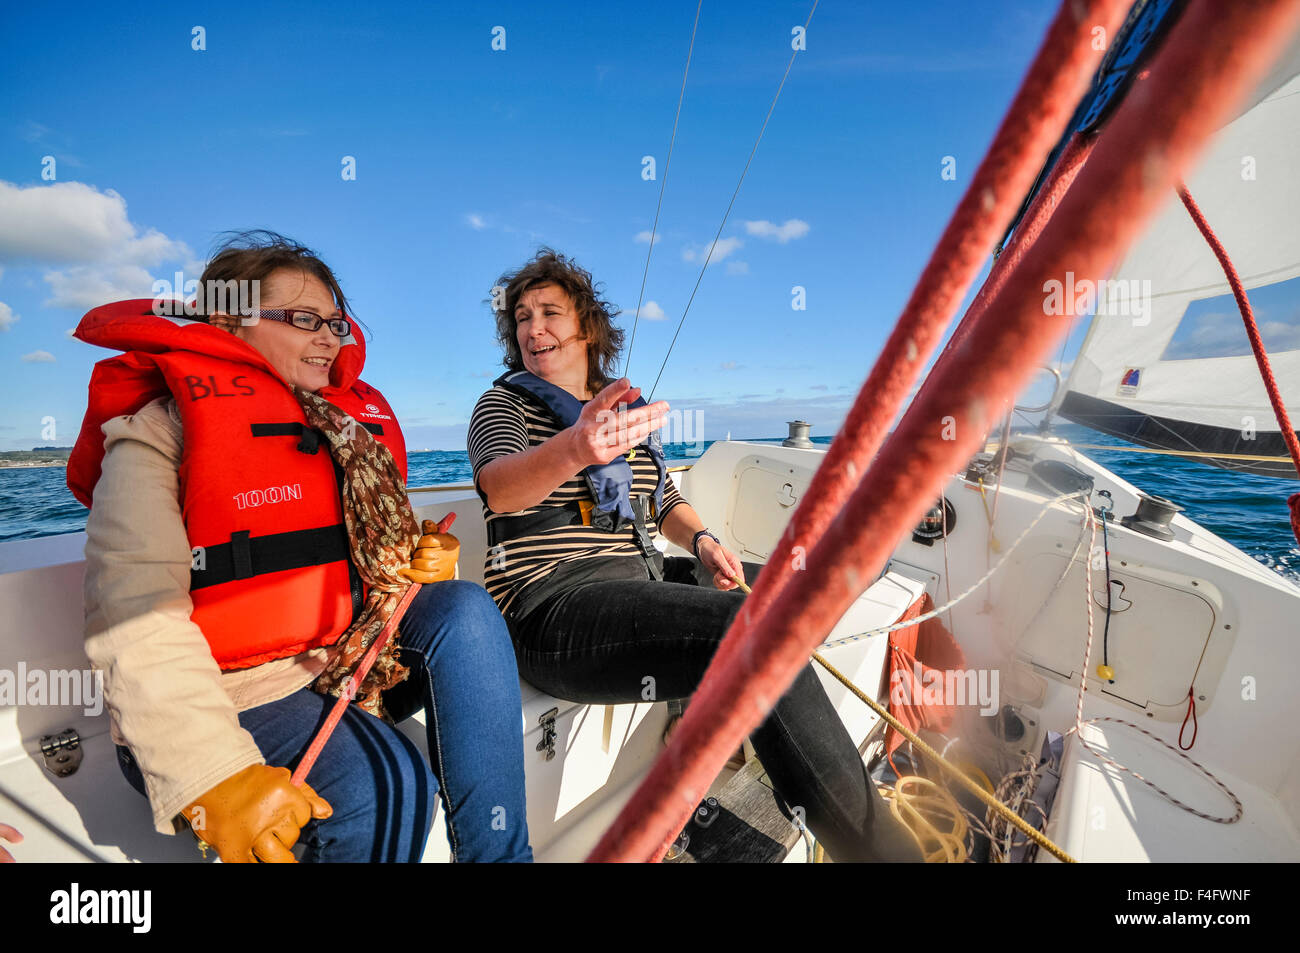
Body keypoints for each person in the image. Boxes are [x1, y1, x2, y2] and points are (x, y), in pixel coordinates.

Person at [69, 231, 531, 863]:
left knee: (464, 610)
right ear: (228, 322)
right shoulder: (156, 431)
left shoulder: (338, 431)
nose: (329, 339)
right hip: (224, 695)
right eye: (304, 320)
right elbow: (131, 611)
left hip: (340, 659)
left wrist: (414, 556)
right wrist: (212, 771)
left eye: (336, 323)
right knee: (388, 784)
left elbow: (354, 552)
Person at [468, 248, 920, 862]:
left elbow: (664, 501)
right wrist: (576, 448)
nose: (531, 327)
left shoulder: (620, 410)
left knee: (795, 591)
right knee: (747, 633)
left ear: (587, 329)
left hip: (635, 577)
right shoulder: (505, 406)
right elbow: (500, 484)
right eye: (521, 316)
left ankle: (732, 731)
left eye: (549, 312)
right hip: (553, 605)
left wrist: (705, 544)